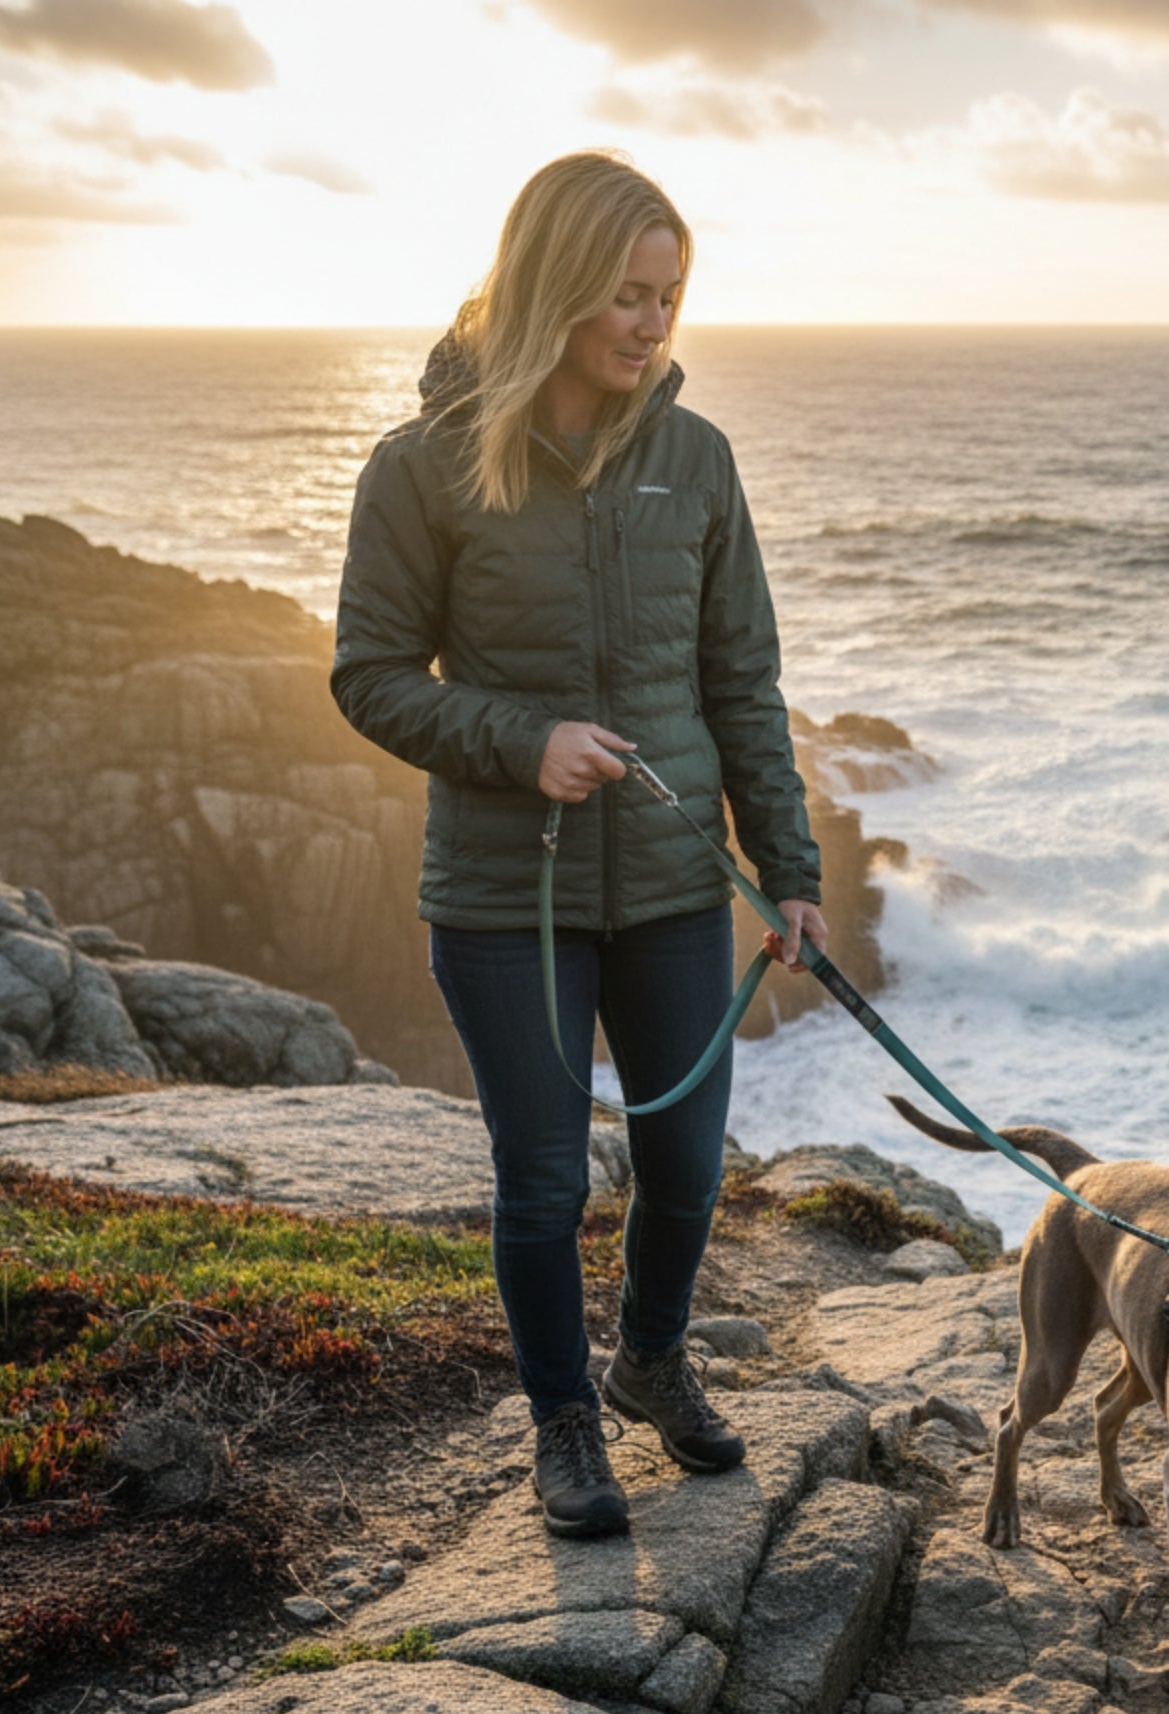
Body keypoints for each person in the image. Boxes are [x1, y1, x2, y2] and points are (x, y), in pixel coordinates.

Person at [330, 151, 826, 1540]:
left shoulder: (698, 459)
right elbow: (369, 673)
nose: (652, 323)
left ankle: (650, 1358)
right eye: (624, 294)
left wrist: (791, 871)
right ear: (554, 286)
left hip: (674, 887)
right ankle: (562, 1423)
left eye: (669, 295)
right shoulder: (425, 466)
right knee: (545, 1178)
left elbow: (744, 683)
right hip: (504, 896)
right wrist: (520, 739)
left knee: (687, 1166)